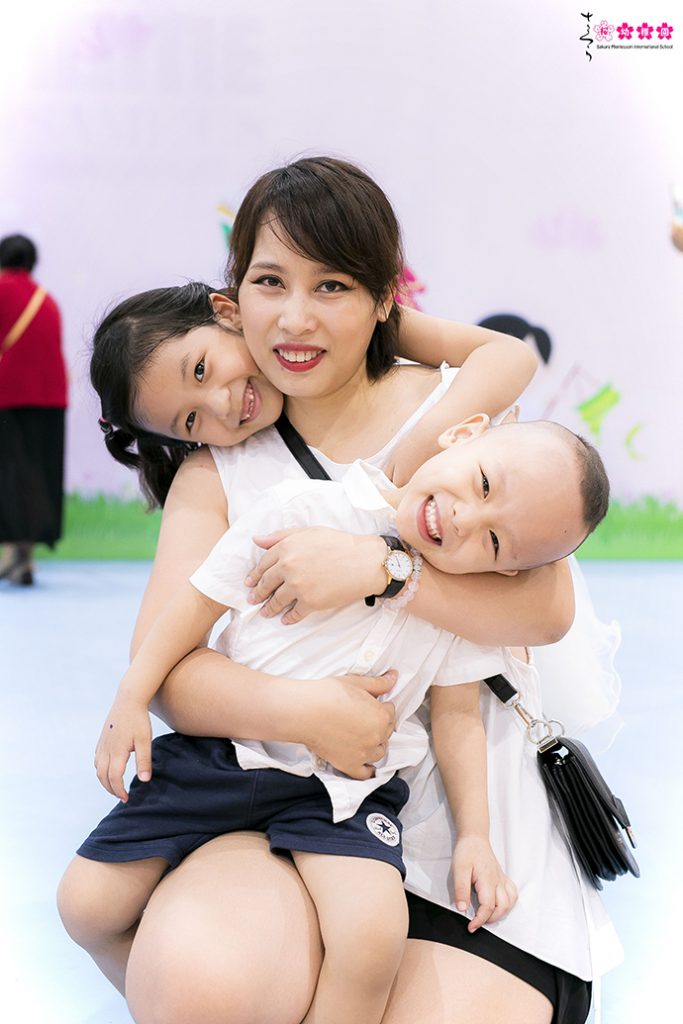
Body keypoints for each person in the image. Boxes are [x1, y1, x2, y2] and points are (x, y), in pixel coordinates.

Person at [59, 157, 622, 1024]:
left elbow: (543, 609)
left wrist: (382, 570)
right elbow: (171, 674)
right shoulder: (217, 472)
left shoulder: (450, 415)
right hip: (296, 802)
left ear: (382, 294)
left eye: (332, 286)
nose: (295, 319)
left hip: (467, 826)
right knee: (193, 977)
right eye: (269, 283)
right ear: (232, 298)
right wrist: (313, 714)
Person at [77, 413, 607, 1024]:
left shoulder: (461, 608)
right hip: (222, 758)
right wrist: (130, 697)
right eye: (483, 484)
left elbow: (458, 718)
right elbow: (197, 603)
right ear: (463, 435)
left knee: (372, 935)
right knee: (85, 904)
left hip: (341, 791)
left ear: (507, 570)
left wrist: (474, 838)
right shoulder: (306, 506)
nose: (465, 518)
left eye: (493, 541)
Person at [0, 234, 67, 585]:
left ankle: (12, 554)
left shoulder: (1, 291)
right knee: (37, 477)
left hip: (8, 397)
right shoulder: (47, 300)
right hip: (51, 401)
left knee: (8, 476)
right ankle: (24, 556)